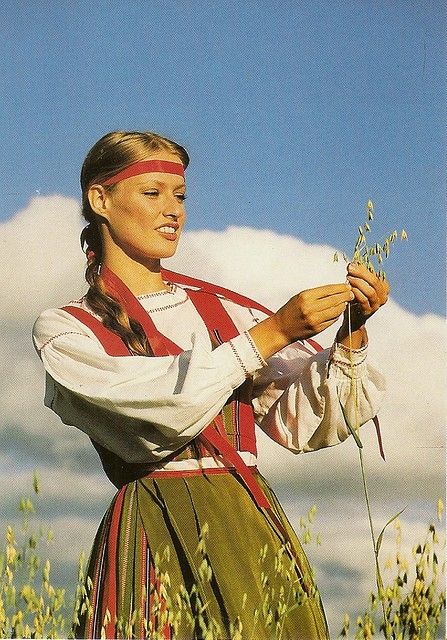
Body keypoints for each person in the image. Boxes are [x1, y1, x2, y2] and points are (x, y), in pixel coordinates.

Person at [32, 130, 388, 640]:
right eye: (152, 194)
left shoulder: (223, 311)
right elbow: (158, 419)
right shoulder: (70, 330)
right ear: (100, 199)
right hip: (156, 526)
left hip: (249, 523)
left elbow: (301, 424)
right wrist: (274, 332)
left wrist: (351, 333)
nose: (172, 210)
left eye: (179, 196)